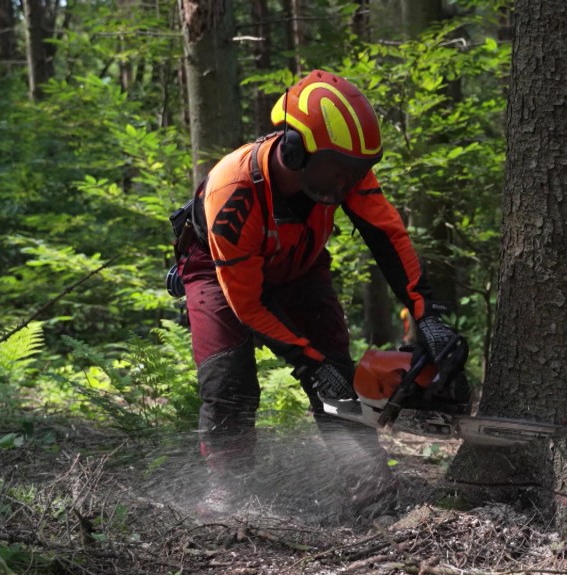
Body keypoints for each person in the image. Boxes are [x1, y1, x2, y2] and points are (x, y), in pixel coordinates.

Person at [176, 69, 461, 518]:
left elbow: (387, 235)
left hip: (299, 267)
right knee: (228, 382)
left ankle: (372, 495)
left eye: (352, 171)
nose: (345, 182)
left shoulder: (344, 174)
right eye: (335, 169)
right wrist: (307, 362)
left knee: (338, 377)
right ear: (294, 149)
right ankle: (227, 492)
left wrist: (426, 311)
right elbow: (248, 304)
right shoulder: (234, 193)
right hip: (219, 274)